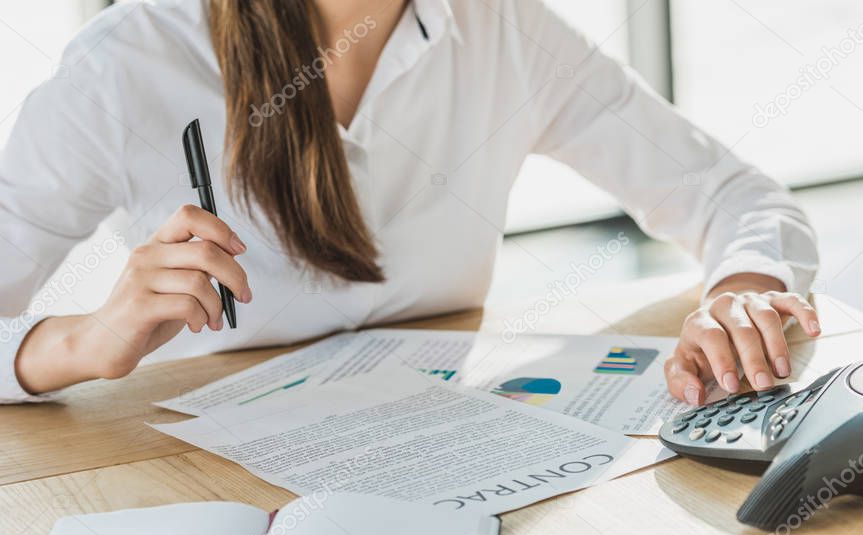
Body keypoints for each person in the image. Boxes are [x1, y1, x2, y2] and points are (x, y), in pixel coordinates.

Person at [0, 0, 820, 407]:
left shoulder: (498, 27)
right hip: (191, 494)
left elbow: (732, 195)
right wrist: (80, 342)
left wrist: (736, 299)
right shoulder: (123, 65)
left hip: (448, 456)